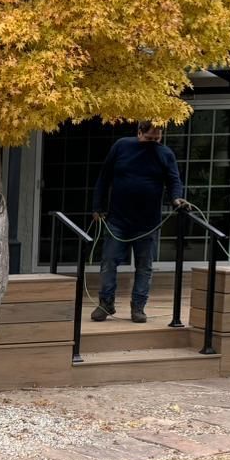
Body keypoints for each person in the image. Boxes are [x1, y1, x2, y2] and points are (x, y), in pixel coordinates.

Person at [91, 121, 188, 323]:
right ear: (139, 132)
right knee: (109, 261)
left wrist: (176, 198)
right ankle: (105, 303)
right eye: (149, 138)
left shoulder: (165, 154)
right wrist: (98, 206)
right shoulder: (122, 146)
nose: (152, 142)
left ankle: (138, 307)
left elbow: (173, 180)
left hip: (148, 221)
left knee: (144, 266)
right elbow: (104, 177)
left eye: (157, 138)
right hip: (118, 218)